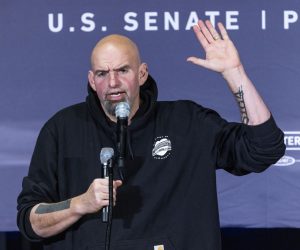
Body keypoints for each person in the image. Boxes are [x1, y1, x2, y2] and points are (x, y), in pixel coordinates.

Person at [17, 20, 285, 250]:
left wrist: (233, 73)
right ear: (91, 79)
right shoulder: (62, 129)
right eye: (102, 73)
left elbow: (264, 148)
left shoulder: (188, 122)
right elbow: (31, 221)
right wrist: (80, 204)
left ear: (142, 73)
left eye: (123, 70)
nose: (112, 83)